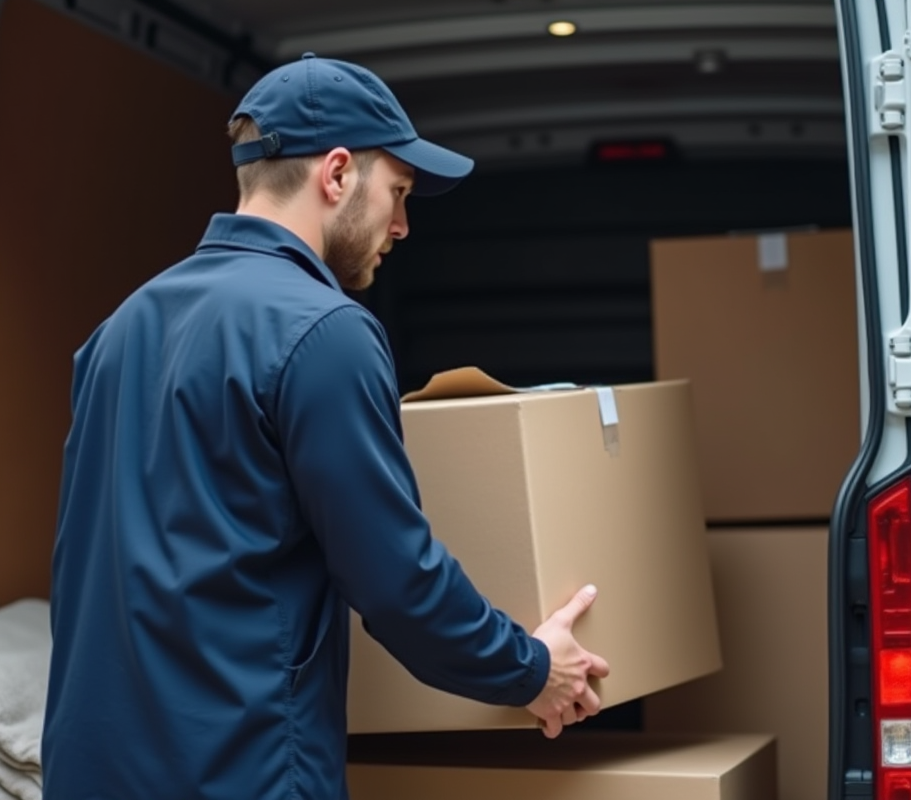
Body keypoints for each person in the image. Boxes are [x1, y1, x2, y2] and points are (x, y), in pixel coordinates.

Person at [40, 52, 610, 800]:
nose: (403, 225)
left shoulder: (119, 329)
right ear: (337, 175)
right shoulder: (323, 331)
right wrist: (533, 669)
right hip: (238, 775)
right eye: (398, 192)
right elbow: (397, 582)